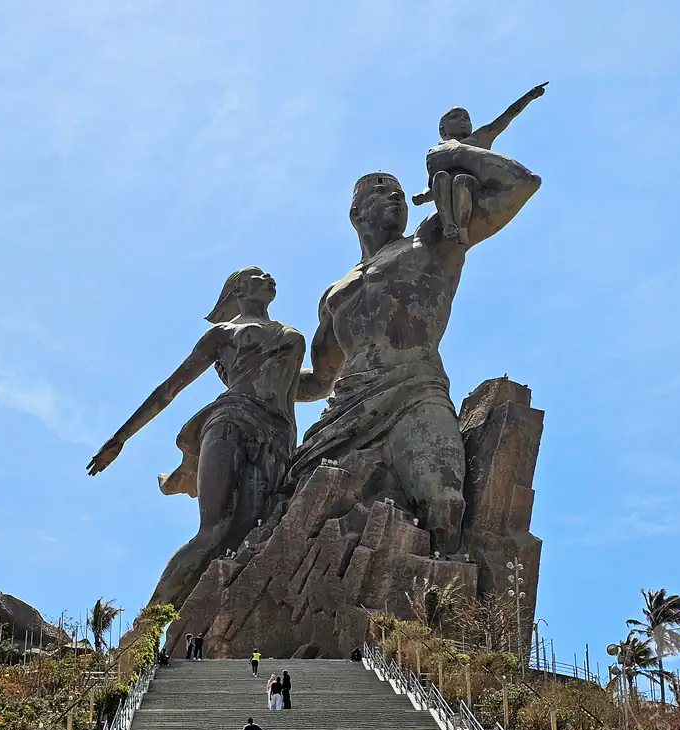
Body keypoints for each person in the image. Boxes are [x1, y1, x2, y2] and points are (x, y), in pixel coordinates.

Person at [291, 147, 542, 558]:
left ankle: (441, 613)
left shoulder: (433, 238)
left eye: (401, 195)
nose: (395, 199)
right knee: (300, 507)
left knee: (444, 502)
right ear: (356, 214)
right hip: (347, 406)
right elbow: (319, 379)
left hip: (416, 391)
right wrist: (253, 383)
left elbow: (520, 184)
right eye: (380, 192)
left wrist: (457, 151)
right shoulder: (335, 295)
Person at [88, 267, 306, 610]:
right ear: (238, 290)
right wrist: (121, 438)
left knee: (250, 533)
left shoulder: (290, 334)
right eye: (258, 274)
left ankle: (213, 623)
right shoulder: (223, 333)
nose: (269, 277)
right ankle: (148, 623)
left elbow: (311, 385)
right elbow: (169, 389)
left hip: (278, 438)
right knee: (214, 531)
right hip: (232, 420)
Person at [413, 82, 548, 244]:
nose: (463, 120)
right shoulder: (437, 152)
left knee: (461, 180)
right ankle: (449, 224)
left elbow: (504, 118)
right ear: (443, 130)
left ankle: (462, 230)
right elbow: (435, 187)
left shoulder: (478, 140)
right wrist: (422, 197)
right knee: (441, 177)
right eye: (455, 117)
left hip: (471, 189)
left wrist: (528, 97)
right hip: (446, 192)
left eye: (466, 118)